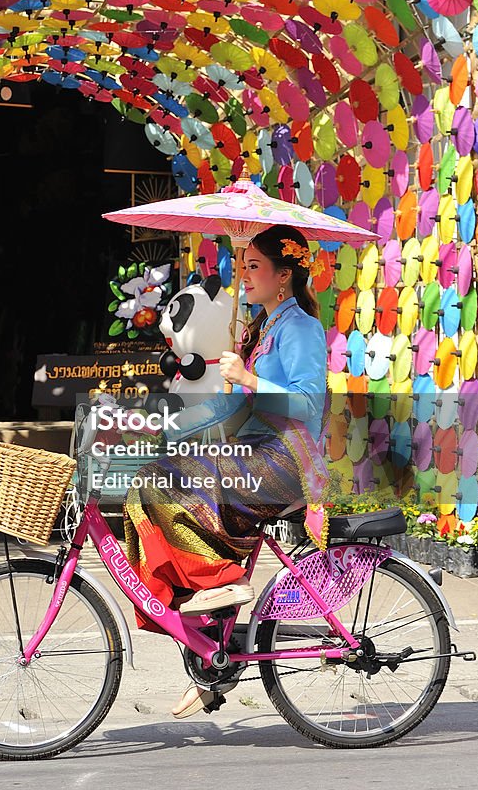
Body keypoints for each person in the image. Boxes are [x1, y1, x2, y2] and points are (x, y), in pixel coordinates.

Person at [122, 223, 329, 718]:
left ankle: (219, 586)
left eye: (254, 266)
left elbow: (309, 403)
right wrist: (161, 426)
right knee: (147, 482)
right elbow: (224, 408)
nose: (244, 274)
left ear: (284, 277)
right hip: (256, 451)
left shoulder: (300, 327)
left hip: (285, 460)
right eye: (243, 265)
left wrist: (250, 378)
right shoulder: (261, 328)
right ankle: (211, 640)